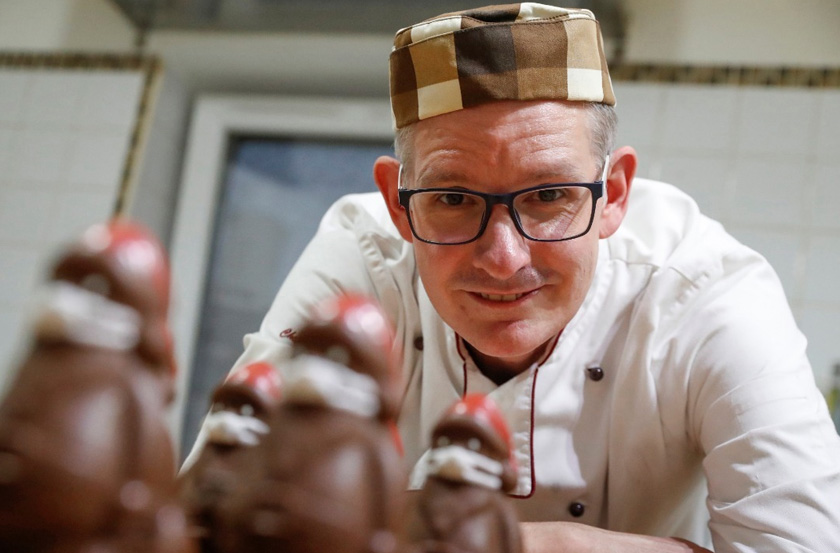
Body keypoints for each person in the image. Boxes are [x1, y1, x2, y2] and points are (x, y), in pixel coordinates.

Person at [194, 4, 840, 552]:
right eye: (452, 199)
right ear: (396, 203)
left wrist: (517, 540)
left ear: (613, 194)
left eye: (550, 195)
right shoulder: (361, 264)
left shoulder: (705, 291)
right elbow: (213, 513)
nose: (503, 257)